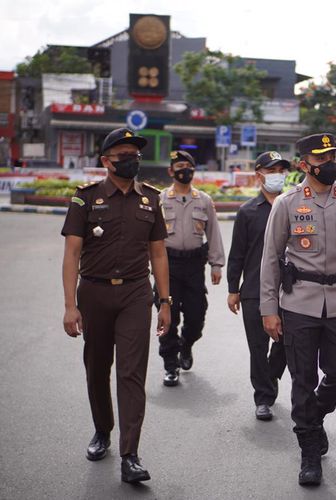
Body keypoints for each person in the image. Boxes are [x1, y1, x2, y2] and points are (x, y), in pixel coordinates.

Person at [259, 133, 336, 486]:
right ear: (304, 165)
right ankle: (309, 450)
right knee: (303, 379)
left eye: (333, 157)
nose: (330, 164)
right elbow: (270, 259)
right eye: (322, 158)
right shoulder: (287, 203)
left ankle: (315, 417)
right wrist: (269, 308)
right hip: (299, 302)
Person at [61, 127, 170, 483]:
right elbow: (72, 253)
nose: (131, 159)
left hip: (136, 294)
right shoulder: (85, 199)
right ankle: (102, 430)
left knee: (131, 372)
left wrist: (164, 301)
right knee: (97, 368)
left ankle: (130, 454)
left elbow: (158, 253)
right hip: (93, 293)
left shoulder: (151, 199)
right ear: (106, 161)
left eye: (135, 154)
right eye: (123, 154)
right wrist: (69, 305)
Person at [227, 151, 289, 421]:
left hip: (289, 290)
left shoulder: (294, 207)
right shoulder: (247, 212)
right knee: (257, 346)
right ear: (259, 174)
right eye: (271, 169)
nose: (277, 174)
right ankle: (263, 397)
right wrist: (233, 288)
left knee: (286, 344)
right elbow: (237, 253)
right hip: (253, 289)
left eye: (280, 169)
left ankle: (270, 375)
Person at [158, 150, 225, 386]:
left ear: (194, 171)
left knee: (196, 316)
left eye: (188, 166)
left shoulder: (203, 200)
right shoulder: (160, 200)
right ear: (170, 171)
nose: (184, 170)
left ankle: (186, 345)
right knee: (168, 317)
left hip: (195, 265)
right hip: (167, 266)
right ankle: (170, 364)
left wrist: (216, 264)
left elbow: (213, 233)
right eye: (179, 166)